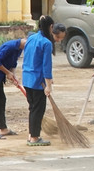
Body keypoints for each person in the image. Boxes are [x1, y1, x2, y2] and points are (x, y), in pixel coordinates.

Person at [22, 17, 65, 147]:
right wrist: (48, 85)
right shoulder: (46, 43)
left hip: (27, 78)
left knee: (32, 108)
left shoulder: (31, 38)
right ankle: (34, 137)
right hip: (37, 81)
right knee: (38, 110)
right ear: (51, 26)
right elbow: (47, 66)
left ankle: (31, 135)